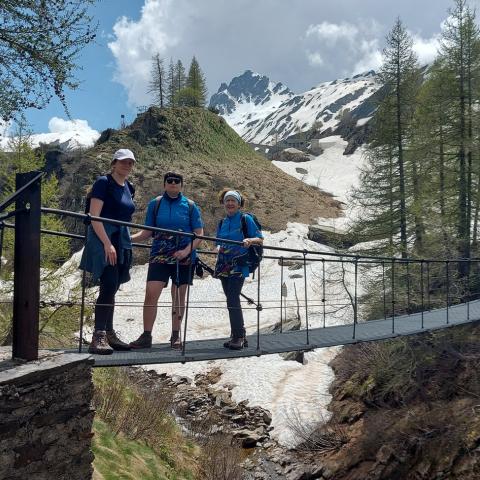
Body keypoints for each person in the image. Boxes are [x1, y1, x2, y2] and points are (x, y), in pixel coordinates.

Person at [129, 171, 204, 349]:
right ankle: (146, 336)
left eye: (177, 181)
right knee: (151, 293)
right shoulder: (155, 204)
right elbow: (147, 232)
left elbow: (199, 234)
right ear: (164, 184)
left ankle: (175, 336)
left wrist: (186, 251)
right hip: (159, 255)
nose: (173, 183)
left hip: (184, 257)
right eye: (169, 181)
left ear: (181, 185)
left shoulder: (191, 206)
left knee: (178, 296)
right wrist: (127, 239)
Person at [79, 148, 136, 355]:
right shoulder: (104, 182)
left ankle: (109, 333)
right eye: (123, 162)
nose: (126, 165)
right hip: (104, 237)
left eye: (130, 162)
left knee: (113, 286)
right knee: (109, 283)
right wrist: (106, 243)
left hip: (121, 240)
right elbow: (94, 215)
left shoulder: (129, 186)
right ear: (114, 163)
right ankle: (99, 336)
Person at [215, 189, 263, 350]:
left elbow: (260, 239)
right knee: (230, 299)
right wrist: (217, 248)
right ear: (224, 203)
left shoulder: (245, 219)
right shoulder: (222, 222)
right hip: (223, 263)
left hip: (239, 263)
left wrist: (249, 239)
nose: (230, 203)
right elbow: (219, 242)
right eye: (227, 201)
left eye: (233, 201)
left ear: (239, 203)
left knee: (232, 298)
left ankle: (238, 336)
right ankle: (238, 334)